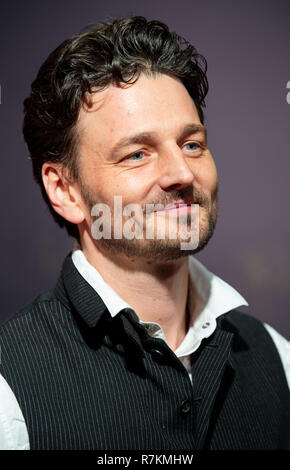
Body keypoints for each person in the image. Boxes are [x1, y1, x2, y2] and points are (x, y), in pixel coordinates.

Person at [0, 16, 289, 451]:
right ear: (65, 190)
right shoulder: (9, 394)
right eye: (137, 154)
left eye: (191, 144)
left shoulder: (277, 359)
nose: (181, 172)